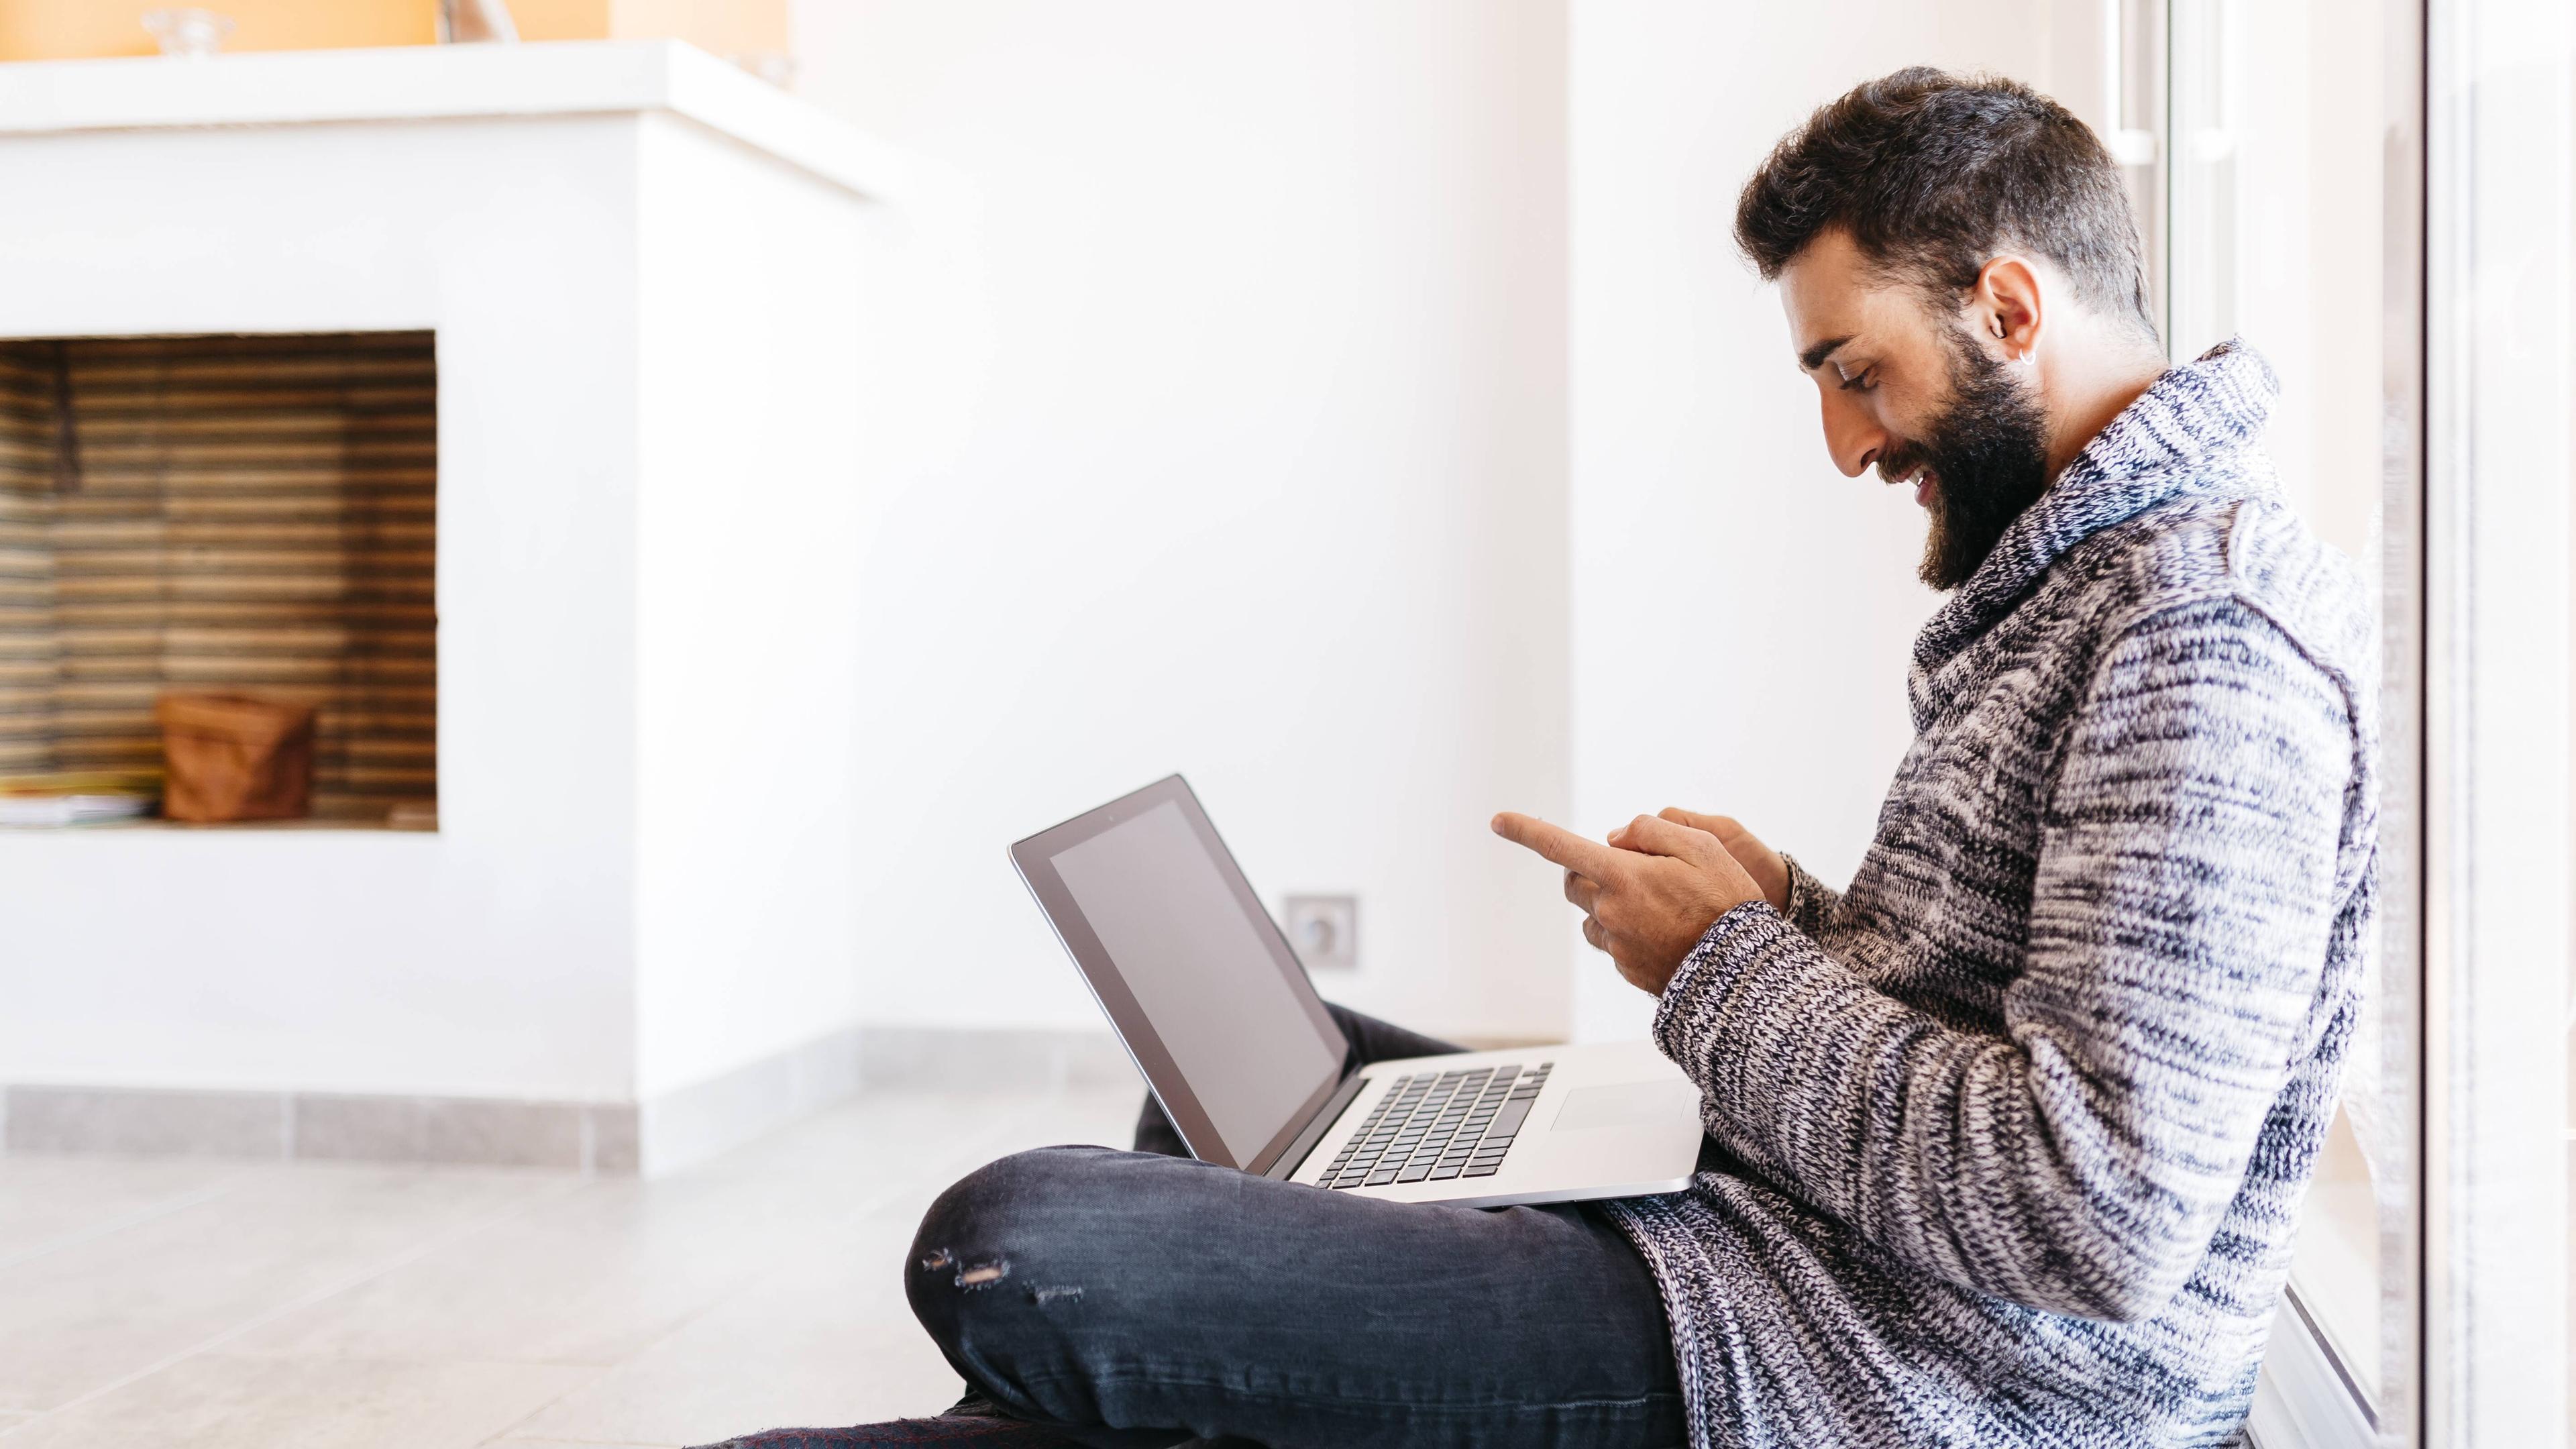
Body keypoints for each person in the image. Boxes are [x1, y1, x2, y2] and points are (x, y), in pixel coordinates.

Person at [736, 66, 2375, 1449]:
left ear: (2010, 309)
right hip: (1807, 1253)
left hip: (1908, 1375)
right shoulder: (2086, 582)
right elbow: (1975, 1017)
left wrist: (1724, 966)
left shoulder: (2205, 635)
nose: (1849, 443)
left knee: (1015, 1246)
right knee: (1245, 1106)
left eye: (1855, 370)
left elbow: (2092, 1210)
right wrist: (1790, 912)